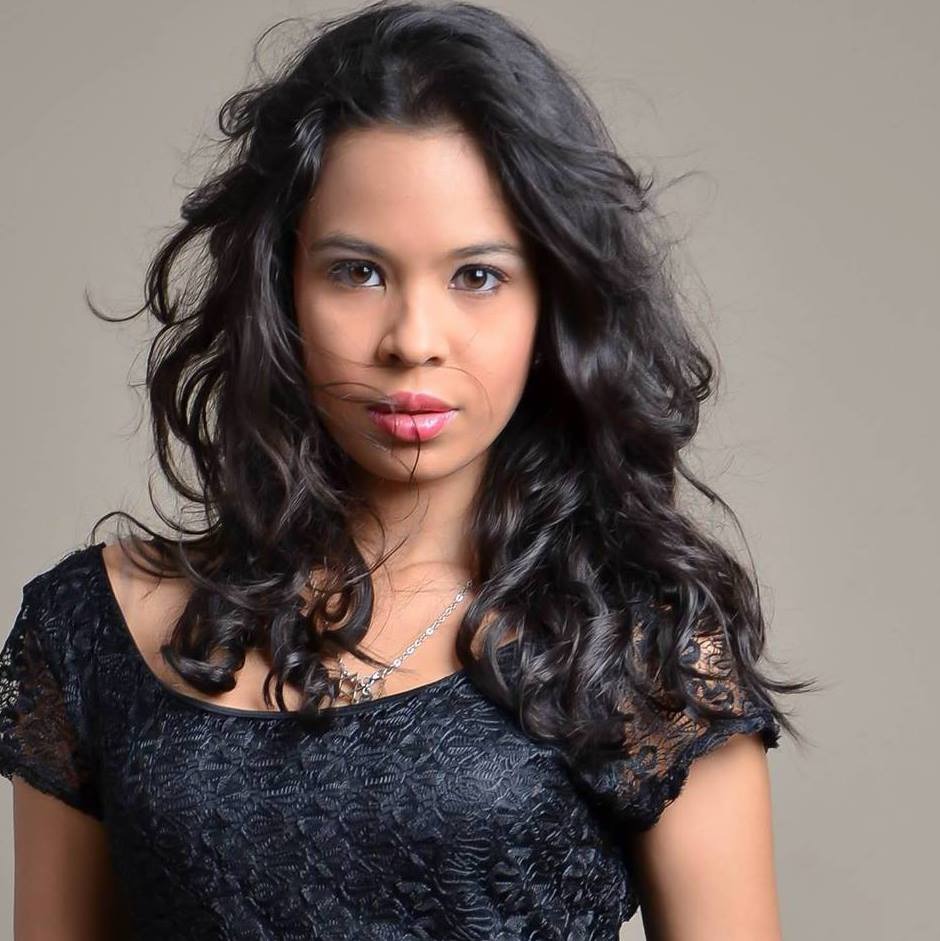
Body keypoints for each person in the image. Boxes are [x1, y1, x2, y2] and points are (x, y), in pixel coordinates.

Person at [0, 1, 815, 938]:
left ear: (553, 302)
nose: (413, 340)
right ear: (281, 287)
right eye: (357, 271)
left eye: (478, 276)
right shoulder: (92, 629)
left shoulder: (640, 640)